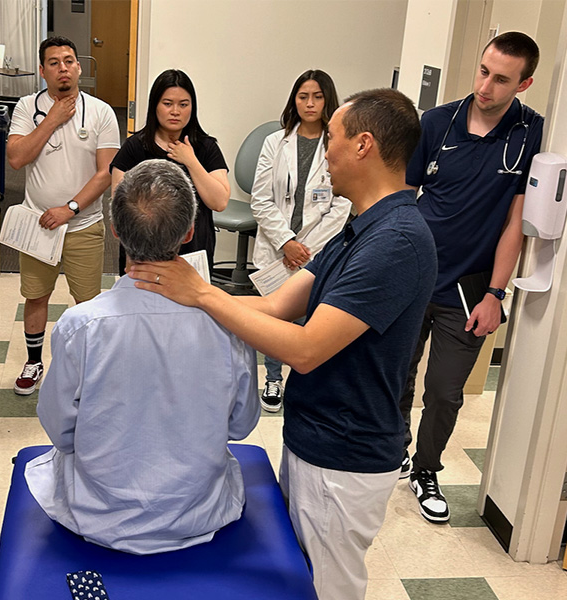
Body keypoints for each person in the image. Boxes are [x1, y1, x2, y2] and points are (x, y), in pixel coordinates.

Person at [129, 89, 436, 600]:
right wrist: (175, 298)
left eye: (331, 140)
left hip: (345, 455)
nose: (323, 154)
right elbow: (274, 306)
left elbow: (305, 348)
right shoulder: (359, 227)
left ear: (363, 145)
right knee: (297, 580)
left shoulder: (397, 241)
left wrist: (203, 293)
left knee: (326, 588)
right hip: (313, 437)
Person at [26, 159, 260, 554]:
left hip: (96, 514)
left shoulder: (80, 325)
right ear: (188, 234)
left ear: (116, 232)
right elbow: (241, 425)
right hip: (201, 512)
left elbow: (60, 431)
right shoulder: (229, 325)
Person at [401, 32, 544, 523]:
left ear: (524, 83)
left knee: (444, 390)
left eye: (501, 78)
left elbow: (515, 225)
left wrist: (495, 294)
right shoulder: (437, 123)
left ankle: (425, 469)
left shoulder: (532, 135)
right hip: (415, 273)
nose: (485, 85)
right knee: (397, 371)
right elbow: (403, 198)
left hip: (469, 289)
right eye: (483, 71)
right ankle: (395, 447)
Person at [6, 36, 120, 396]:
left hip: (83, 224)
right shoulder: (27, 107)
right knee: (36, 296)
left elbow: (106, 172)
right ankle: (34, 361)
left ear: (79, 67)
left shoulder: (101, 112)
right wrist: (51, 120)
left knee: (87, 302)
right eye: (53, 62)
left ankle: (89, 368)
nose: (63, 68)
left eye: (69, 60)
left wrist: (69, 208)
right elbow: (16, 158)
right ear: (42, 71)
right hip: (38, 225)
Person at [250, 69, 351, 412]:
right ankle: (274, 378)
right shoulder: (275, 143)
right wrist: (286, 243)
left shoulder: (339, 144)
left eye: (317, 96)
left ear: (328, 101)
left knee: (313, 318)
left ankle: (307, 383)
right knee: (275, 319)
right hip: (278, 248)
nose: (310, 103)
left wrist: (306, 248)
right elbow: (260, 200)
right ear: (294, 100)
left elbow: (342, 204)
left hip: (316, 250)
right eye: (303, 96)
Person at [110, 69, 230, 272]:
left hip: (192, 246)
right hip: (142, 251)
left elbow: (219, 202)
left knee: (190, 303)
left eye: (183, 104)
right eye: (167, 104)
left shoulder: (206, 147)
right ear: (155, 105)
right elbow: (119, 205)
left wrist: (191, 161)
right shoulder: (134, 147)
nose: (176, 111)